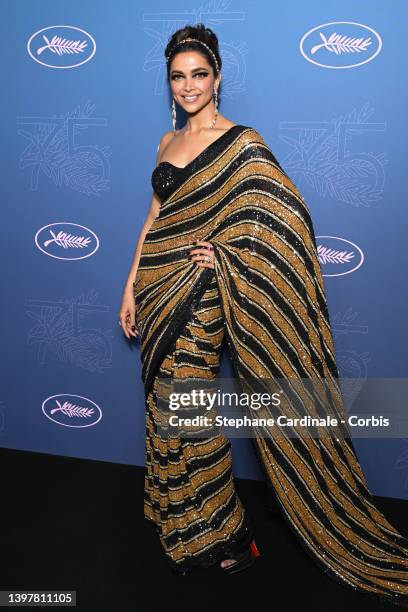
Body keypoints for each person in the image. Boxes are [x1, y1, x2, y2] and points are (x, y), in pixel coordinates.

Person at [119, 23, 408, 607]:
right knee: (162, 409)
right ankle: (183, 529)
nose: (189, 85)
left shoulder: (242, 142)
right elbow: (153, 220)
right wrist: (129, 286)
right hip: (156, 288)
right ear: (169, 83)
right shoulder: (163, 143)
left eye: (199, 74)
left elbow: (283, 219)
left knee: (189, 407)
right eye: (178, 76)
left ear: (218, 78)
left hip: (201, 296)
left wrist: (221, 255)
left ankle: (226, 533)